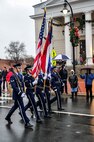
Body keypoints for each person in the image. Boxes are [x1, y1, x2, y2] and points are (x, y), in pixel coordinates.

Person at [5, 63, 33, 129]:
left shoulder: (20, 75)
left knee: (15, 106)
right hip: (17, 95)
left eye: (20, 68)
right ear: (15, 68)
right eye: (19, 68)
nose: (20, 69)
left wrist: (23, 91)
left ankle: (7, 117)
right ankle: (26, 122)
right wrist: (20, 93)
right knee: (22, 108)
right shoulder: (13, 76)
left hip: (21, 94)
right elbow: (14, 87)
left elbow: (22, 85)